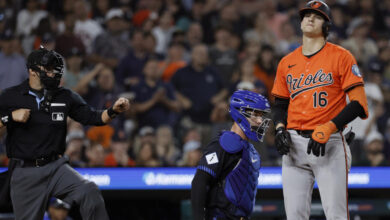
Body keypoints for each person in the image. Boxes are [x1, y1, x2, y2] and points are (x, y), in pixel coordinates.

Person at [0, 47, 130, 220]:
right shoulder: (11, 96)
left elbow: (94, 117)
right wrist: (9, 117)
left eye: (55, 68)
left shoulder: (64, 96)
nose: (53, 73)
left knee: (88, 190)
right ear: (32, 71)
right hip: (26, 171)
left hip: (56, 167)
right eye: (48, 69)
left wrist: (113, 110)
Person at [271, 1, 369, 219]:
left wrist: (330, 127)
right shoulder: (286, 62)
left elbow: (359, 102)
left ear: (327, 25)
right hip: (294, 145)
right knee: (294, 215)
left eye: (316, 16)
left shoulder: (342, 56)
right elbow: (279, 105)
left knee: (336, 215)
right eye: (306, 15)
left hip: (331, 142)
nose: (310, 18)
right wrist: (279, 129)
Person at [191, 90, 271, 220]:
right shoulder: (225, 143)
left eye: (261, 115)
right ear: (240, 113)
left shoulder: (251, 151)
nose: (260, 120)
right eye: (256, 114)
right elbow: (199, 181)